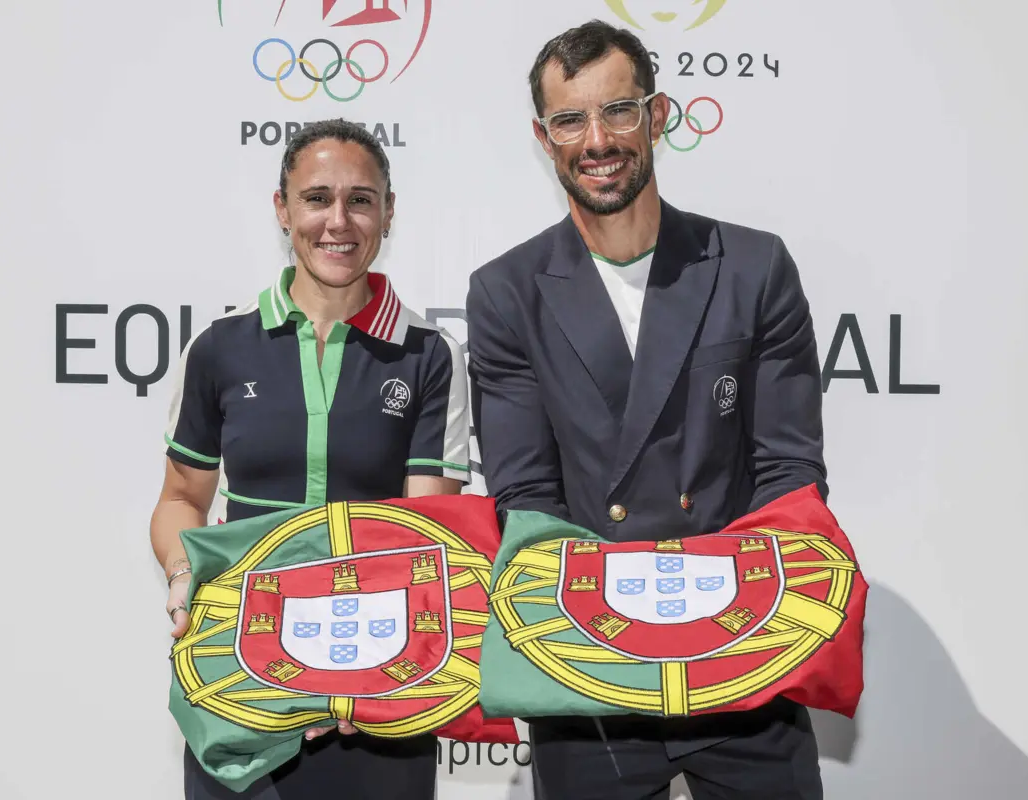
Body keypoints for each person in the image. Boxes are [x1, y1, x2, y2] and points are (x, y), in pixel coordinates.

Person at [466, 19, 827, 800]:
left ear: (658, 116)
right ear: (543, 136)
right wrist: (610, 640)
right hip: (592, 676)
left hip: (743, 662)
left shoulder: (753, 266)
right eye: (571, 119)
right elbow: (526, 498)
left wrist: (729, 626)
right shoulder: (507, 293)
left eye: (619, 111)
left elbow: (789, 475)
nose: (597, 139)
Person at [149, 118, 470, 799]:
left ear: (387, 213)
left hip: (378, 686)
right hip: (240, 674)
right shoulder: (219, 345)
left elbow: (426, 534)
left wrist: (359, 675)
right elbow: (181, 497)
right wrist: (184, 574)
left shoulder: (429, 354)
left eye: (360, 199)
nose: (338, 220)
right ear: (283, 209)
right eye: (317, 197)